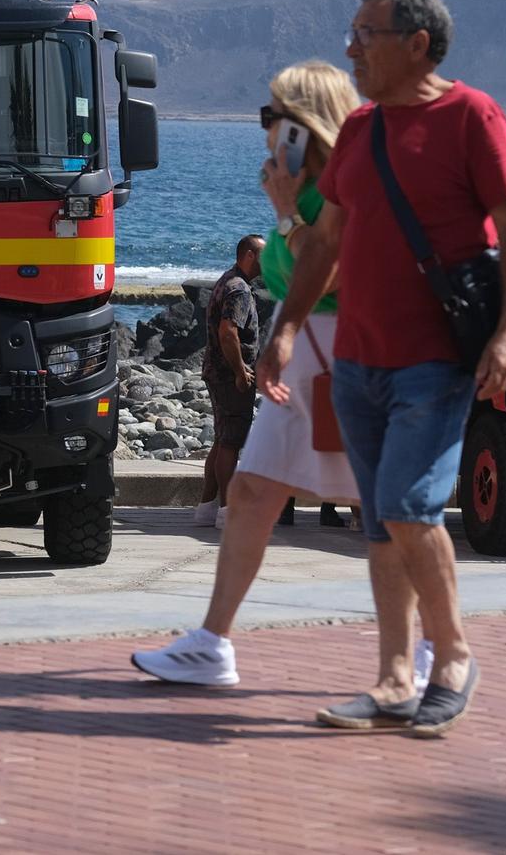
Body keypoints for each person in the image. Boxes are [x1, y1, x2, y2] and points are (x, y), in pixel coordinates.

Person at [258, 0, 506, 737]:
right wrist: (284, 329)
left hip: (435, 361)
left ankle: (453, 657)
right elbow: (327, 241)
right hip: (358, 362)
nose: (351, 48)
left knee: (411, 507)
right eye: (350, 31)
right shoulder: (361, 130)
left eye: (365, 33)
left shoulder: (471, 116)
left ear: (417, 43)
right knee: (380, 524)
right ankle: (391, 680)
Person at [135, 61, 383, 688]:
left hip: (333, 346)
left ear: (304, 121)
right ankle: (212, 642)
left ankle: (433, 648)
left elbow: (326, 270)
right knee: (250, 494)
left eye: (274, 117)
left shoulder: (340, 183)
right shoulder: (306, 181)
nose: (266, 129)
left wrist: (282, 212)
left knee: (396, 515)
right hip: (298, 350)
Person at [195, 235, 265, 527]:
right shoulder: (239, 290)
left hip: (217, 371)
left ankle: (206, 508)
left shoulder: (228, 280)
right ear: (249, 255)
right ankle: (227, 509)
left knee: (222, 439)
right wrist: (240, 370)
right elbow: (228, 331)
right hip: (229, 376)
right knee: (231, 443)